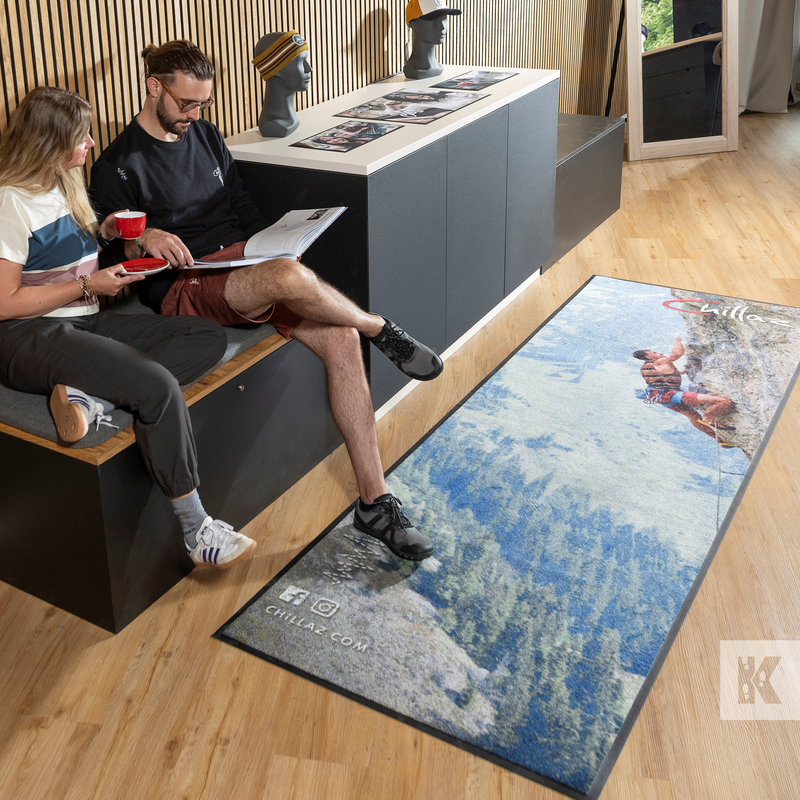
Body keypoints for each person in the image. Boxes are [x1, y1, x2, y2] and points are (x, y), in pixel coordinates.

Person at [91, 40, 440, 562]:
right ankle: (381, 328)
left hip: (242, 266)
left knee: (338, 336)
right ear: (153, 87)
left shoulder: (206, 136)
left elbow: (238, 203)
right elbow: (111, 244)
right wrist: (146, 237)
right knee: (290, 279)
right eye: (186, 104)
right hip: (186, 286)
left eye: (203, 104)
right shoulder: (118, 166)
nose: (195, 115)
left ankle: (375, 501)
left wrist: (270, 239)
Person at [0, 85, 256, 570]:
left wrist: (107, 231)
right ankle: (196, 528)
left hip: (83, 320)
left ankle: (90, 397)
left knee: (205, 336)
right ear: (48, 142)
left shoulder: (61, 181)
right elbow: (5, 303)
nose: (92, 143)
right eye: (82, 136)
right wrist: (86, 285)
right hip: (25, 335)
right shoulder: (7, 203)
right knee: (156, 386)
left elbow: (61, 249)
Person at [633, 335, 735, 442]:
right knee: (723, 402)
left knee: (693, 416)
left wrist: (681, 372)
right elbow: (677, 354)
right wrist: (678, 340)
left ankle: (721, 441)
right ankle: (708, 418)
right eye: (654, 353)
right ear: (648, 357)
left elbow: (662, 376)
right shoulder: (658, 362)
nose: (660, 353)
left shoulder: (645, 367)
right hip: (671, 395)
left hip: (661, 398)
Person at [252, 30, 311, 138]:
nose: (308, 68)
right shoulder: (271, 125)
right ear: (276, 69)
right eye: (300, 61)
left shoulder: (292, 119)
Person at [403, 0, 462, 80]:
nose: (442, 26)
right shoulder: (412, 70)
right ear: (414, 24)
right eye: (434, 19)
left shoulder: (439, 68)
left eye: (444, 18)